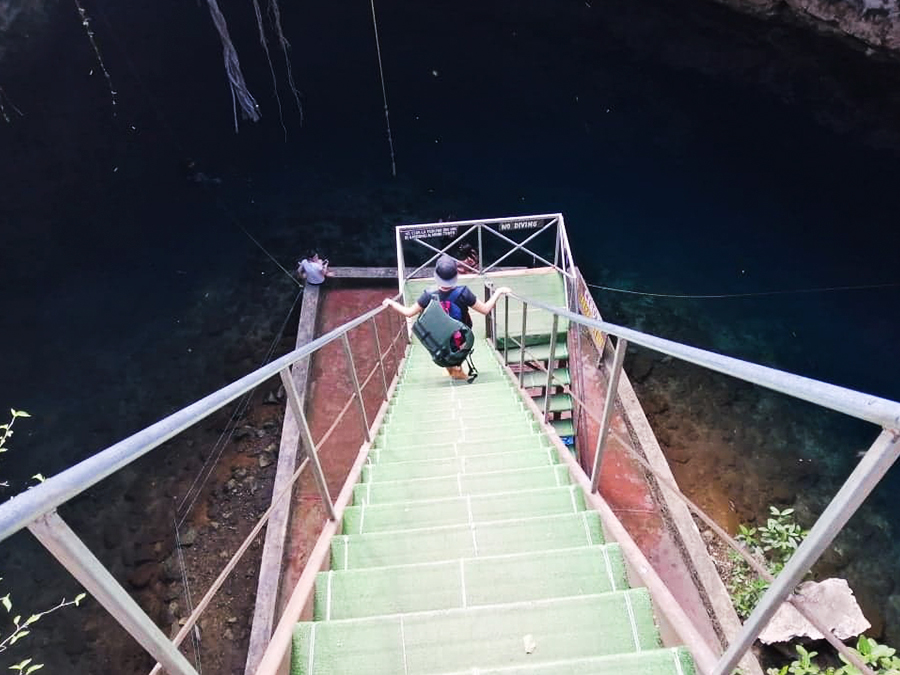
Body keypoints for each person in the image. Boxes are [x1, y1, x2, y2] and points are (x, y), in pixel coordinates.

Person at [382, 255, 511, 380]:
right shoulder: (463, 293)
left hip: (440, 341)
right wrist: (498, 292)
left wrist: (392, 303)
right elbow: (485, 309)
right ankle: (457, 370)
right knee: (457, 342)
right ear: (456, 275)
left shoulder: (428, 294)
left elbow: (408, 312)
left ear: (436, 276)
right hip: (461, 338)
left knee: (448, 345)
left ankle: (451, 368)